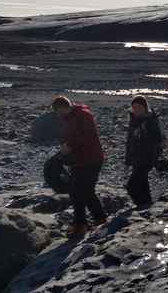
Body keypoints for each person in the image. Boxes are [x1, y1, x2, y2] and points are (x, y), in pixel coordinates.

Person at [52, 96, 107, 238]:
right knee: (75, 191)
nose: (59, 115)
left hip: (91, 159)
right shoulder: (68, 118)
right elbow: (68, 135)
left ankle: (99, 220)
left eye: (59, 111)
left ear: (65, 107)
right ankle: (81, 224)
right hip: (77, 160)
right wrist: (64, 148)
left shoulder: (84, 115)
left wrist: (69, 146)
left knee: (86, 191)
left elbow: (89, 136)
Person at [125, 95, 163, 209]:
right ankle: (147, 205)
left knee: (131, 186)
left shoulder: (150, 120)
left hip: (146, 158)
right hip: (137, 158)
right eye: (134, 107)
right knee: (142, 183)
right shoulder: (133, 120)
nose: (136, 110)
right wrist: (128, 158)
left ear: (145, 107)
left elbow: (157, 139)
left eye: (139, 107)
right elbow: (130, 140)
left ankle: (141, 206)